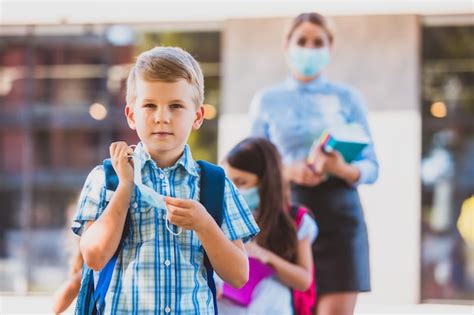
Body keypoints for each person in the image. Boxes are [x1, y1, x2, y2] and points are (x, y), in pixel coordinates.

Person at [71, 46, 260, 314]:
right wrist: (125, 188)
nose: (162, 117)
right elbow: (94, 256)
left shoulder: (215, 183)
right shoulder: (107, 178)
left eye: (176, 106)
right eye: (149, 105)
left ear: (197, 117)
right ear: (131, 116)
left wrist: (204, 224)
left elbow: (239, 275)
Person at [249, 12, 379, 315]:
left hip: (340, 219)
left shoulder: (348, 99)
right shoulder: (267, 101)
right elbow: (250, 167)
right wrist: (287, 171)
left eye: (318, 42)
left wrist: (341, 168)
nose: (309, 48)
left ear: (330, 48)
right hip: (286, 220)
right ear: (287, 45)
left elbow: (372, 165)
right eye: (302, 41)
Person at [218, 137, 318, 315]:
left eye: (241, 183)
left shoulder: (294, 220)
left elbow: (304, 280)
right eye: (229, 182)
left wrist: (265, 256)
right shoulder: (217, 217)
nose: (234, 190)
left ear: (266, 183)